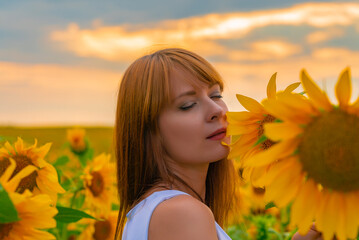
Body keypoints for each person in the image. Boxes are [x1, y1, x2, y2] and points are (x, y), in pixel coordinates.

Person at [114, 48, 238, 240]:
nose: (216, 110)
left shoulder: (152, 211)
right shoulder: (182, 214)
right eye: (187, 104)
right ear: (149, 130)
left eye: (216, 96)